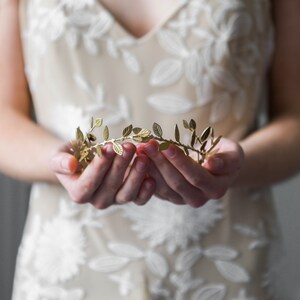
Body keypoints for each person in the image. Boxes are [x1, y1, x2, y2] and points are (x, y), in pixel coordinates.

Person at [0, 0, 299, 299]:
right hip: (68, 263)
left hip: (226, 261)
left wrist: (234, 167)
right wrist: (63, 163)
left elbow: (295, 116)